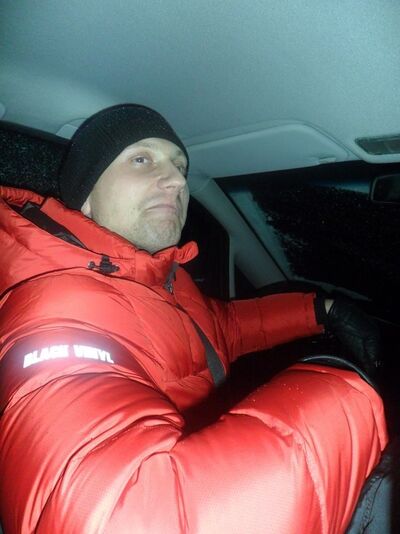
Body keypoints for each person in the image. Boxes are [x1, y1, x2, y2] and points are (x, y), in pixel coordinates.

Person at [0, 104, 387, 533]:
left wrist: (320, 310)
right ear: (85, 194)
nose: (177, 180)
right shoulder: (55, 306)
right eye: (141, 159)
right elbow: (131, 516)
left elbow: (220, 327)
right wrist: (351, 398)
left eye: (179, 166)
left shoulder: (163, 276)